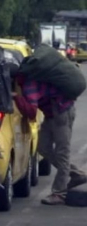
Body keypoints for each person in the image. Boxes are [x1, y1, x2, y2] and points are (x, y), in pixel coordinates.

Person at [14, 74, 87, 205]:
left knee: (62, 152)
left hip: (61, 113)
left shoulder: (29, 85)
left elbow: (31, 111)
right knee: (42, 147)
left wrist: (16, 98)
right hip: (51, 114)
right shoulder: (29, 82)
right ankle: (76, 173)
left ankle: (59, 193)